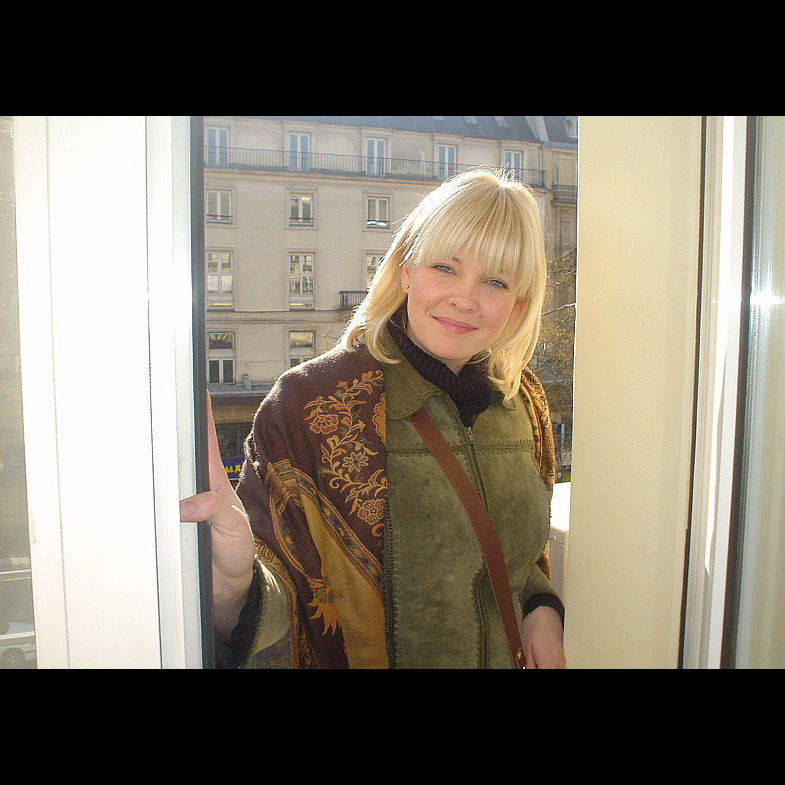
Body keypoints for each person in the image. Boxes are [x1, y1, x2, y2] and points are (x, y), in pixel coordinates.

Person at [180, 169, 566, 669]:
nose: (464, 298)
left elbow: (521, 555)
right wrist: (235, 586)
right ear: (406, 271)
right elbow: (288, 602)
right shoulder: (311, 404)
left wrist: (540, 607)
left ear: (517, 304)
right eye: (445, 268)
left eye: (495, 281)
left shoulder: (523, 401)